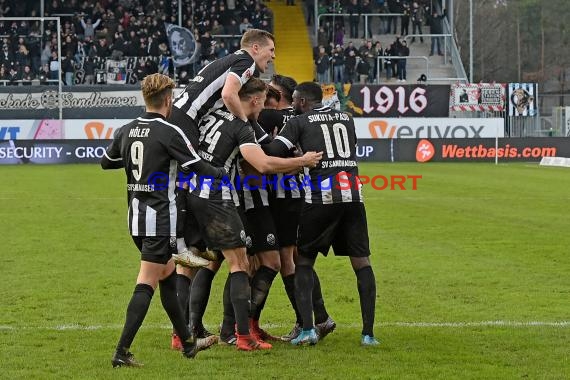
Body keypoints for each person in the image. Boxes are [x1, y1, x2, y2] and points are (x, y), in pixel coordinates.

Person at [184, 78, 322, 351]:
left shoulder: (214, 117)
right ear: (256, 100)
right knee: (241, 264)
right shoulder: (242, 124)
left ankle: (200, 329)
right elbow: (260, 166)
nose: (264, 115)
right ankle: (234, 331)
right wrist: (300, 162)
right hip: (233, 200)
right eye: (264, 105)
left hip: (200, 195)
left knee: (222, 263)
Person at [101, 73, 225, 367]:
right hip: (159, 220)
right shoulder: (170, 132)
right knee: (147, 280)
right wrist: (222, 173)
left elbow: (106, 162)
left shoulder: (127, 130)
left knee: (168, 277)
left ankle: (188, 344)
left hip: (135, 219)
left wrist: (136, 164)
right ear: (169, 100)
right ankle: (122, 351)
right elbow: (196, 166)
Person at [263, 82, 379, 346]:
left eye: (294, 100)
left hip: (321, 196)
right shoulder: (346, 119)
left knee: (303, 262)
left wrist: (291, 155)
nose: (292, 104)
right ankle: (368, 334)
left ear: (303, 101)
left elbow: (272, 153)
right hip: (353, 194)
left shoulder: (299, 121)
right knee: (362, 263)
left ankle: (307, 330)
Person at [168, 28, 275, 150]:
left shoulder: (226, 60)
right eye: (271, 50)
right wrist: (245, 124)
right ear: (256, 48)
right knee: (191, 166)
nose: (274, 56)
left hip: (176, 111)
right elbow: (228, 95)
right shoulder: (247, 61)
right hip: (187, 116)